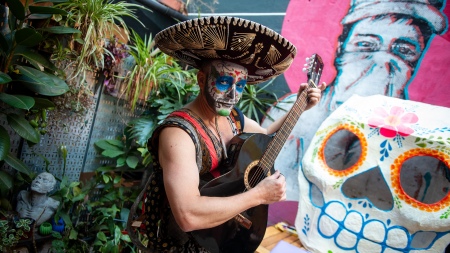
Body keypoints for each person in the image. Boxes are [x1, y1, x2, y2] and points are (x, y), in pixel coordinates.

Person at [140, 16, 326, 252]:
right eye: (225, 82)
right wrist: (259, 195)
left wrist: (299, 107)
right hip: (181, 244)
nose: (233, 95)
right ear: (201, 79)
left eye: (239, 86)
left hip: (220, 237)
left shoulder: (231, 117)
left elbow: (266, 135)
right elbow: (188, 215)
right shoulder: (179, 135)